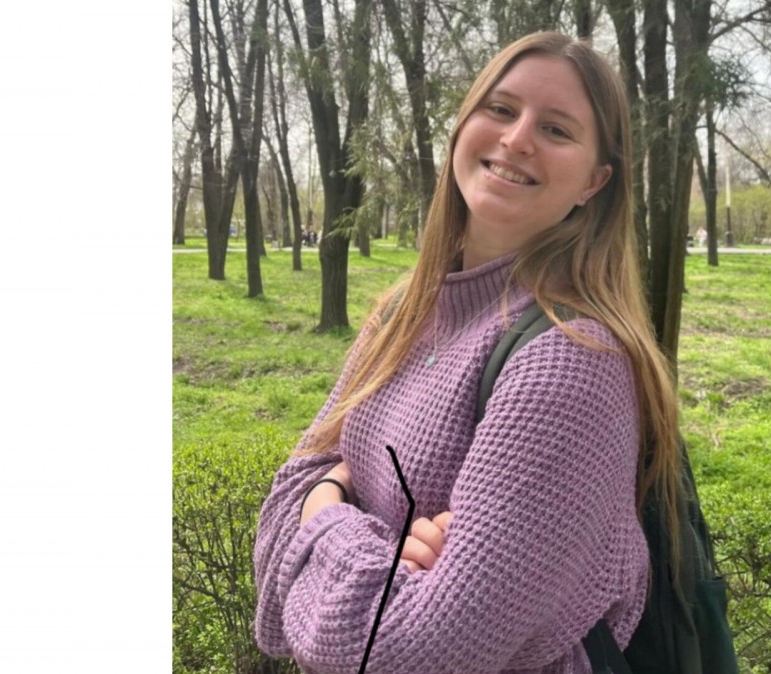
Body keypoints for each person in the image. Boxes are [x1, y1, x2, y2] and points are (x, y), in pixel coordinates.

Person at [253, 31, 684, 674]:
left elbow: (402, 654)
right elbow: (281, 506)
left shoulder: (570, 362)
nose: (517, 138)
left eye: (557, 129)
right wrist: (342, 511)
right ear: (462, 129)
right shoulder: (404, 312)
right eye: (501, 109)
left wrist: (325, 508)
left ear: (595, 182)